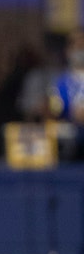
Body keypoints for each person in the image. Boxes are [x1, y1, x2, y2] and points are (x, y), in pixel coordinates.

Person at [49, 28, 84, 160]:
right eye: (75, 45)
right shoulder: (61, 82)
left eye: (82, 45)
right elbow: (55, 109)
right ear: (68, 51)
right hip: (70, 144)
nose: (79, 49)